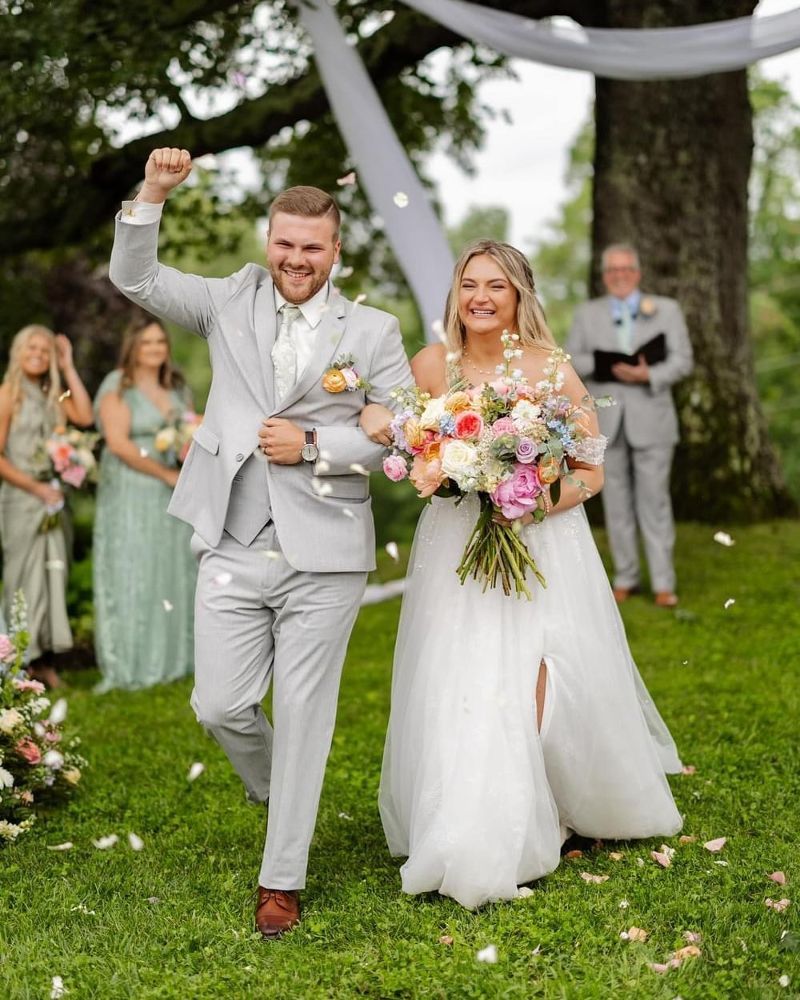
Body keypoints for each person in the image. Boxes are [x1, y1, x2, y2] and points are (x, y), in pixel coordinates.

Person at [109, 147, 412, 938]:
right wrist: (153, 193)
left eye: (312, 247)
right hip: (232, 537)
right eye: (285, 243)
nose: (296, 259)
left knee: (306, 712)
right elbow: (136, 278)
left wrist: (314, 445)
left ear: (335, 250)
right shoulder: (227, 300)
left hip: (328, 549)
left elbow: (405, 433)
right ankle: (284, 794)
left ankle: (282, 878)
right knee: (219, 704)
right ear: (268, 241)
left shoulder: (373, 331)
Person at [361, 240, 682, 911]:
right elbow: (411, 447)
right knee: (461, 672)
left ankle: (551, 805)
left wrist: (530, 502)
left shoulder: (549, 366)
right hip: (455, 545)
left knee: (538, 673)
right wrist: (421, 455)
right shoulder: (430, 365)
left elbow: (590, 471)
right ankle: (466, 816)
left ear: (518, 296)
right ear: (455, 293)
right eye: (469, 284)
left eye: (496, 286)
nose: (480, 297)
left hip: (543, 544)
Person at [565, 244, 693, 607]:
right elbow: (570, 360)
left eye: (626, 269)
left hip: (653, 419)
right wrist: (606, 365)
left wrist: (647, 374)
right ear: (605, 276)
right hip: (606, 421)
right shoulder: (587, 313)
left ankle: (664, 582)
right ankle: (626, 576)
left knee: (655, 502)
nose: (619, 275)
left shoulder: (667, 309)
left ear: (637, 273)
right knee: (616, 502)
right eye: (612, 270)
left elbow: (683, 360)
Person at [93, 314, 197, 692]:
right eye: (147, 342)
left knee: (171, 568)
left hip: (173, 489)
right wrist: (164, 474)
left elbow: (191, 427)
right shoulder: (118, 385)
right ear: (133, 347)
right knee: (134, 568)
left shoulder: (176, 386)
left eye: (160, 342)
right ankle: (131, 663)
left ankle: (175, 658)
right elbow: (119, 444)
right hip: (132, 489)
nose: (155, 349)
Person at [0, 325, 93, 687]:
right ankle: (20, 661)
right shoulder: (8, 394)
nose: (38, 355)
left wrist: (68, 366)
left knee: (54, 575)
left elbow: (84, 416)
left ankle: (45, 662)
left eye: (45, 350)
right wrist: (35, 487)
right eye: (32, 348)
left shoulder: (55, 394)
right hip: (22, 497)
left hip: (54, 499)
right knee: (23, 580)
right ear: (19, 352)